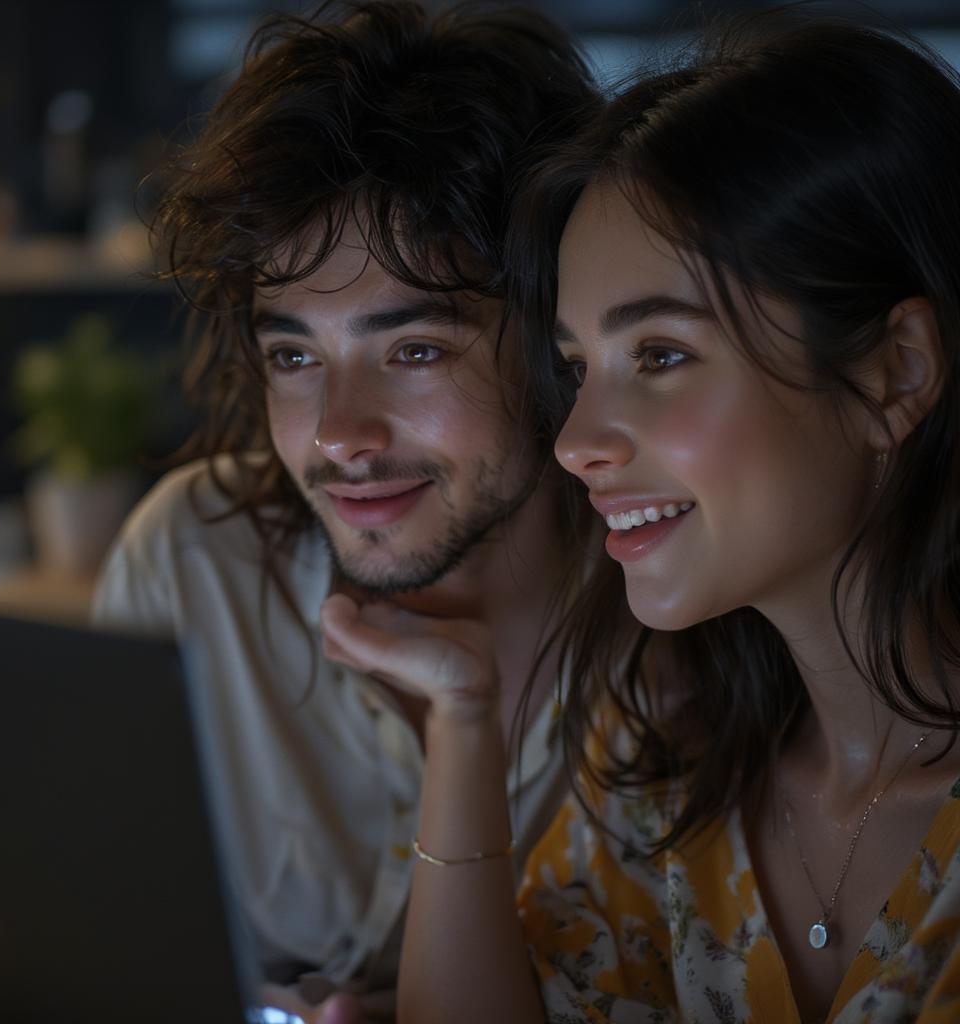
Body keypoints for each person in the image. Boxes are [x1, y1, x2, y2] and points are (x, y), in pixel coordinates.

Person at [318, 13, 960, 1023]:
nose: (575, 440)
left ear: (895, 372)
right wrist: (465, 720)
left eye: (658, 355)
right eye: (576, 370)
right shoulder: (668, 772)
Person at [91, 2, 598, 1020]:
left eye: (412, 350)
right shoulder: (194, 562)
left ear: (556, 343)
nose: (338, 434)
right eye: (294, 355)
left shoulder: (673, 619)